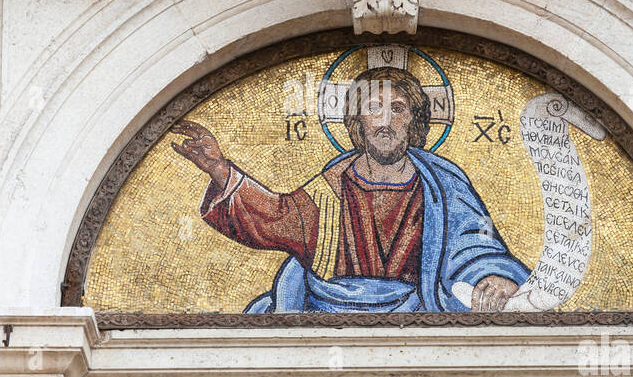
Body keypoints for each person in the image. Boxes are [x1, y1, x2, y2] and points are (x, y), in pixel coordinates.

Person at [171, 66, 529, 313]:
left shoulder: (442, 183)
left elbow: (475, 244)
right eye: (374, 108)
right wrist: (219, 168)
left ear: (414, 121)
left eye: (399, 109)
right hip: (327, 314)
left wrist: (493, 277)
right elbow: (275, 218)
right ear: (357, 120)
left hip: (420, 318)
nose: (386, 122)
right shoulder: (332, 187)